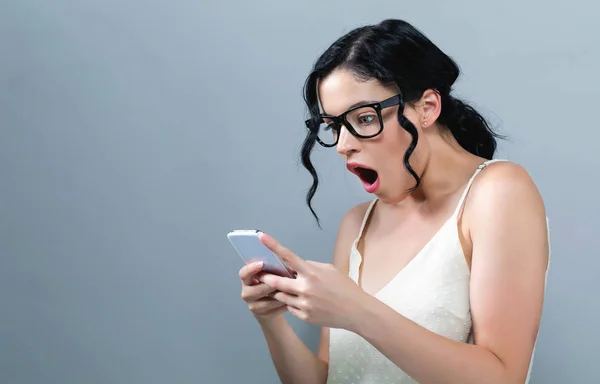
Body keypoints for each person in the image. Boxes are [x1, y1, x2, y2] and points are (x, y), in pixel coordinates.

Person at [238, 19, 550, 384]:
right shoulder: (357, 224)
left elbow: (503, 377)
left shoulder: (498, 193)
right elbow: (328, 378)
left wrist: (356, 311)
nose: (343, 144)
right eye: (333, 126)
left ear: (428, 107)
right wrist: (271, 319)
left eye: (364, 118)